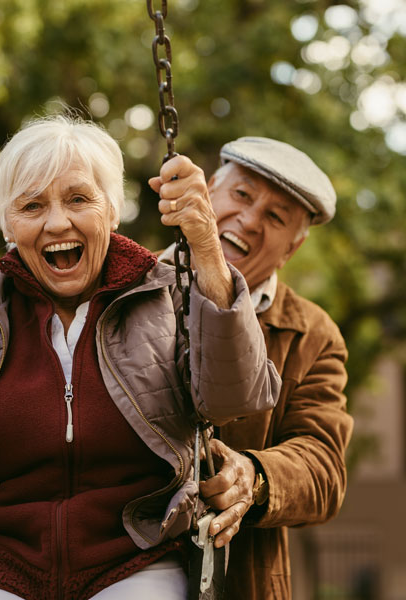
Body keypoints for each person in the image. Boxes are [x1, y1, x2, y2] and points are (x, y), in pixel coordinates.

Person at [0, 116, 281, 600]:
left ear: (111, 210)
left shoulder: (166, 298)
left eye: (78, 199)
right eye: (31, 205)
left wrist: (207, 251)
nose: (57, 222)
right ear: (9, 224)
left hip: (137, 558)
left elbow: (235, 397)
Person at [152, 136, 354, 599]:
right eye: (242, 195)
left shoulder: (313, 335)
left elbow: (323, 466)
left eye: (276, 216)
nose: (249, 219)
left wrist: (254, 476)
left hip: (239, 582)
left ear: (292, 248)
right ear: (209, 192)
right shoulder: (123, 285)